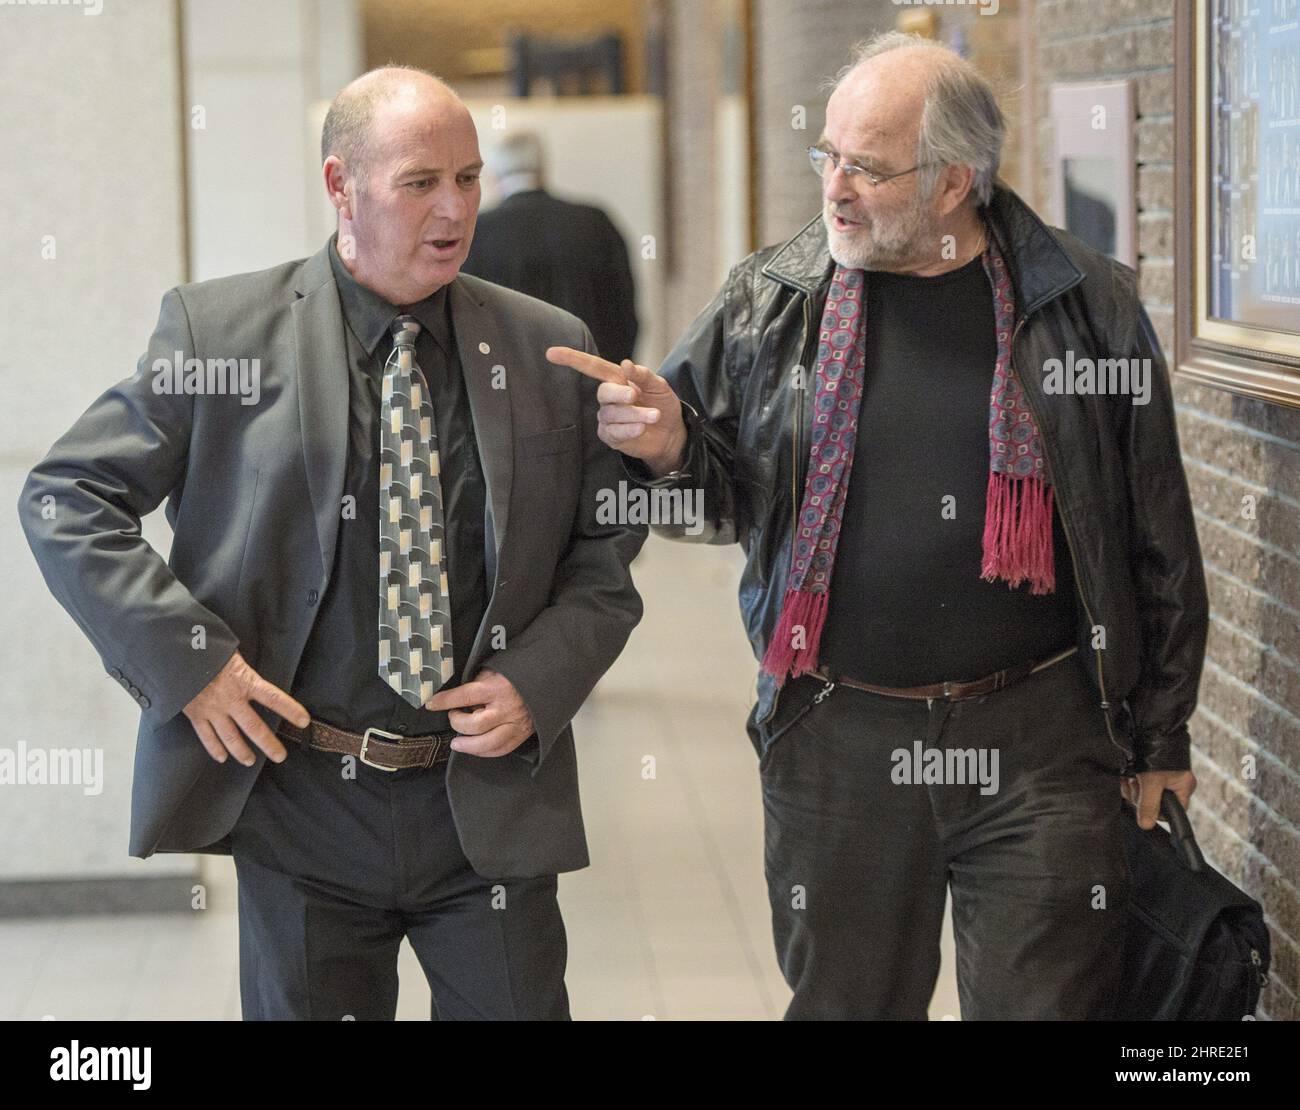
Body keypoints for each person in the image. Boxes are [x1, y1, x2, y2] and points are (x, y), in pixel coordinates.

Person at [549, 32, 1208, 1020]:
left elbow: (1154, 520)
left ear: (953, 182)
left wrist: (1159, 735)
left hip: (1039, 739)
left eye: (867, 166)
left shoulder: (1082, 302)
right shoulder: (770, 300)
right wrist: (665, 441)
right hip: (837, 733)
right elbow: (710, 501)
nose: (834, 187)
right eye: (828, 156)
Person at [17, 65, 646, 1020]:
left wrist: (543, 678)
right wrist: (193, 665)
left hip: (484, 806)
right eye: (420, 182)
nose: (455, 210)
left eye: (469, 179)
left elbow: (603, 552)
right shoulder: (222, 334)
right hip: (303, 806)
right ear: (339, 186)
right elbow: (68, 497)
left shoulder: (543, 345)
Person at [463, 130, 639, 363]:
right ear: (542, 169)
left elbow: (467, 318)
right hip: (592, 378)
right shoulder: (594, 223)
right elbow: (624, 313)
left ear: (495, 175)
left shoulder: (477, 231)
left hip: (506, 384)